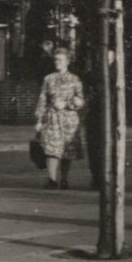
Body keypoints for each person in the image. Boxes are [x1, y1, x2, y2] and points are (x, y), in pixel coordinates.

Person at [35, 46, 87, 189]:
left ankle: (64, 179)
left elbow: (81, 100)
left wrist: (68, 104)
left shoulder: (75, 79)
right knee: (52, 148)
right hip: (52, 118)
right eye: (55, 59)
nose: (57, 62)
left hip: (69, 120)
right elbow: (42, 99)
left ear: (67, 62)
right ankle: (52, 179)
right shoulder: (48, 79)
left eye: (60, 60)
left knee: (67, 150)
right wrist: (39, 119)